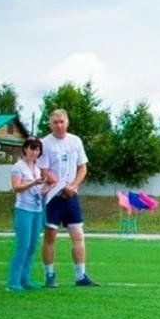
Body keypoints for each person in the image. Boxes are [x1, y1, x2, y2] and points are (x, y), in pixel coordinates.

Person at [38, 109, 97, 288]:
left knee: (78, 235)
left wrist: (72, 186)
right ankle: (49, 276)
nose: (59, 125)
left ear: (67, 122)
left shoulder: (75, 141)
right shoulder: (44, 143)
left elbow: (82, 168)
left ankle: (80, 276)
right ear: (50, 124)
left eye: (62, 121)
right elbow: (43, 169)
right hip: (52, 197)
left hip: (71, 196)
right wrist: (57, 184)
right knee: (50, 237)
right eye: (55, 122)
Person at [6, 138, 49, 293]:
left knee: (31, 246)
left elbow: (38, 191)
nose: (35, 152)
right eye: (32, 149)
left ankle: (25, 279)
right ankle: (13, 281)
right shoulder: (18, 167)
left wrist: (48, 188)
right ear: (25, 149)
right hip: (23, 210)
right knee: (22, 245)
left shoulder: (37, 168)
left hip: (37, 210)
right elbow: (16, 188)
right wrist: (33, 183)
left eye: (37, 150)